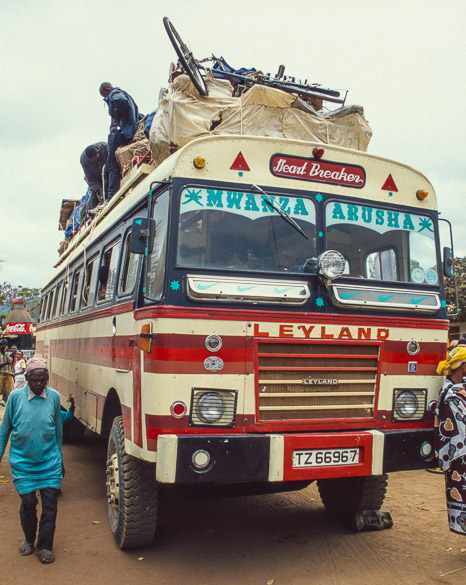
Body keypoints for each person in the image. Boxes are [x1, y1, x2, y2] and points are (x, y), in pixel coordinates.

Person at [0, 357, 63, 563]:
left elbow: (58, 431)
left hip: (49, 462)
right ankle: (28, 539)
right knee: (28, 503)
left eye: (43, 380)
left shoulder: (54, 397)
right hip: (23, 463)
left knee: (50, 506)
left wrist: (59, 459)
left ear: (47, 379)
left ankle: (45, 547)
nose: (38, 384)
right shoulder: (15, 398)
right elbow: (4, 431)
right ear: (27, 379)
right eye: (34, 380)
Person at [435, 347, 466, 536]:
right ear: (463, 366)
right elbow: (460, 429)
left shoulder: (453, 390)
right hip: (461, 456)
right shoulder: (452, 395)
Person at [99, 82, 143, 202]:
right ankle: (108, 196)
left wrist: (117, 119)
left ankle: (110, 197)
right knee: (110, 165)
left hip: (118, 132)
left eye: (104, 96)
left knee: (112, 164)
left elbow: (121, 102)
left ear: (107, 89)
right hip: (125, 131)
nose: (106, 99)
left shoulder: (115, 94)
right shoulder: (128, 96)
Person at [80, 142, 108, 211]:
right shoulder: (84, 160)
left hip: (107, 173)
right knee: (95, 194)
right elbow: (90, 178)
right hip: (96, 178)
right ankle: (91, 212)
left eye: (95, 159)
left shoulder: (105, 147)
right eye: (92, 161)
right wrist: (99, 188)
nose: (94, 161)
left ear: (98, 153)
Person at [0, 339, 14, 406]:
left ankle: (10, 406)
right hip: (1, 374)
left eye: (2, 345)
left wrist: (5, 353)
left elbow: (10, 361)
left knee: (10, 392)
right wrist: (6, 362)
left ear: (5, 346)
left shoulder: (10, 353)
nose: (1, 346)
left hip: (9, 375)